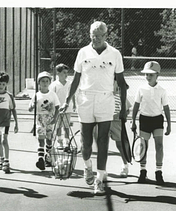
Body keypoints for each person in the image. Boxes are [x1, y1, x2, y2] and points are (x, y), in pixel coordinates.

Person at [60, 21, 127, 195]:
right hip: (85, 100)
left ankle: (99, 178)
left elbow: (121, 82)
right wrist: (67, 100)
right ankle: (88, 166)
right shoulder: (83, 52)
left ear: (106, 36)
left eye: (99, 36)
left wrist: (123, 110)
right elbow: (75, 79)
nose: (95, 39)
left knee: (104, 140)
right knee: (86, 142)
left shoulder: (115, 54)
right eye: (93, 35)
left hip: (106, 100)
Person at [131, 61, 171, 185]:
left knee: (159, 146)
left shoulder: (162, 90)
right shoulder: (141, 89)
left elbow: (166, 108)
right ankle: (143, 171)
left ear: (157, 75)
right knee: (143, 147)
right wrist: (133, 122)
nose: (148, 77)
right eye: (146, 74)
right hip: (145, 120)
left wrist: (169, 124)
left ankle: (158, 172)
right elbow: (136, 106)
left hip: (158, 120)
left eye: (151, 75)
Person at [93, 80, 131, 177]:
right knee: (102, 146)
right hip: (104, 121)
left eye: (116, 85)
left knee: (120, 145)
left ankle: (125, 165)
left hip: (116, 122)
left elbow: (127, 110)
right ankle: (103, 170)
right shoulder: (104, 95)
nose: (114, 87)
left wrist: (121, 115)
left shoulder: (121, 97)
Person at [29, 71, 60, 170]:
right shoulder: (37, 95)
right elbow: (30, 108)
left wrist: (55, 118)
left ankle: (48, 156)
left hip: (50, 120)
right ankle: (40, 158)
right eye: (43, 81)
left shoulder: (53, 94)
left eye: (47, 81)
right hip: (40, 120)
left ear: (49, 82)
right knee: (41, 139)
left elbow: (57, 106)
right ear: (39, 83)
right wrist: (32, 106)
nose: (45, 83)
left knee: (49, 139)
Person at [49, 63, 76, 148]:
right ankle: (59, 141)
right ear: (58, 73)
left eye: (67, 72)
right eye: (64, 72)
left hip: (68, 108)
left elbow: (72, 94)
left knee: (66, 126)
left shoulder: (69, 83)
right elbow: (52, 96)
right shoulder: (54, 85)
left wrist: (74, 104)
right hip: (58, 109)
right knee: (58, 126)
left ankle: (66, 142)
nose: (66, 74)